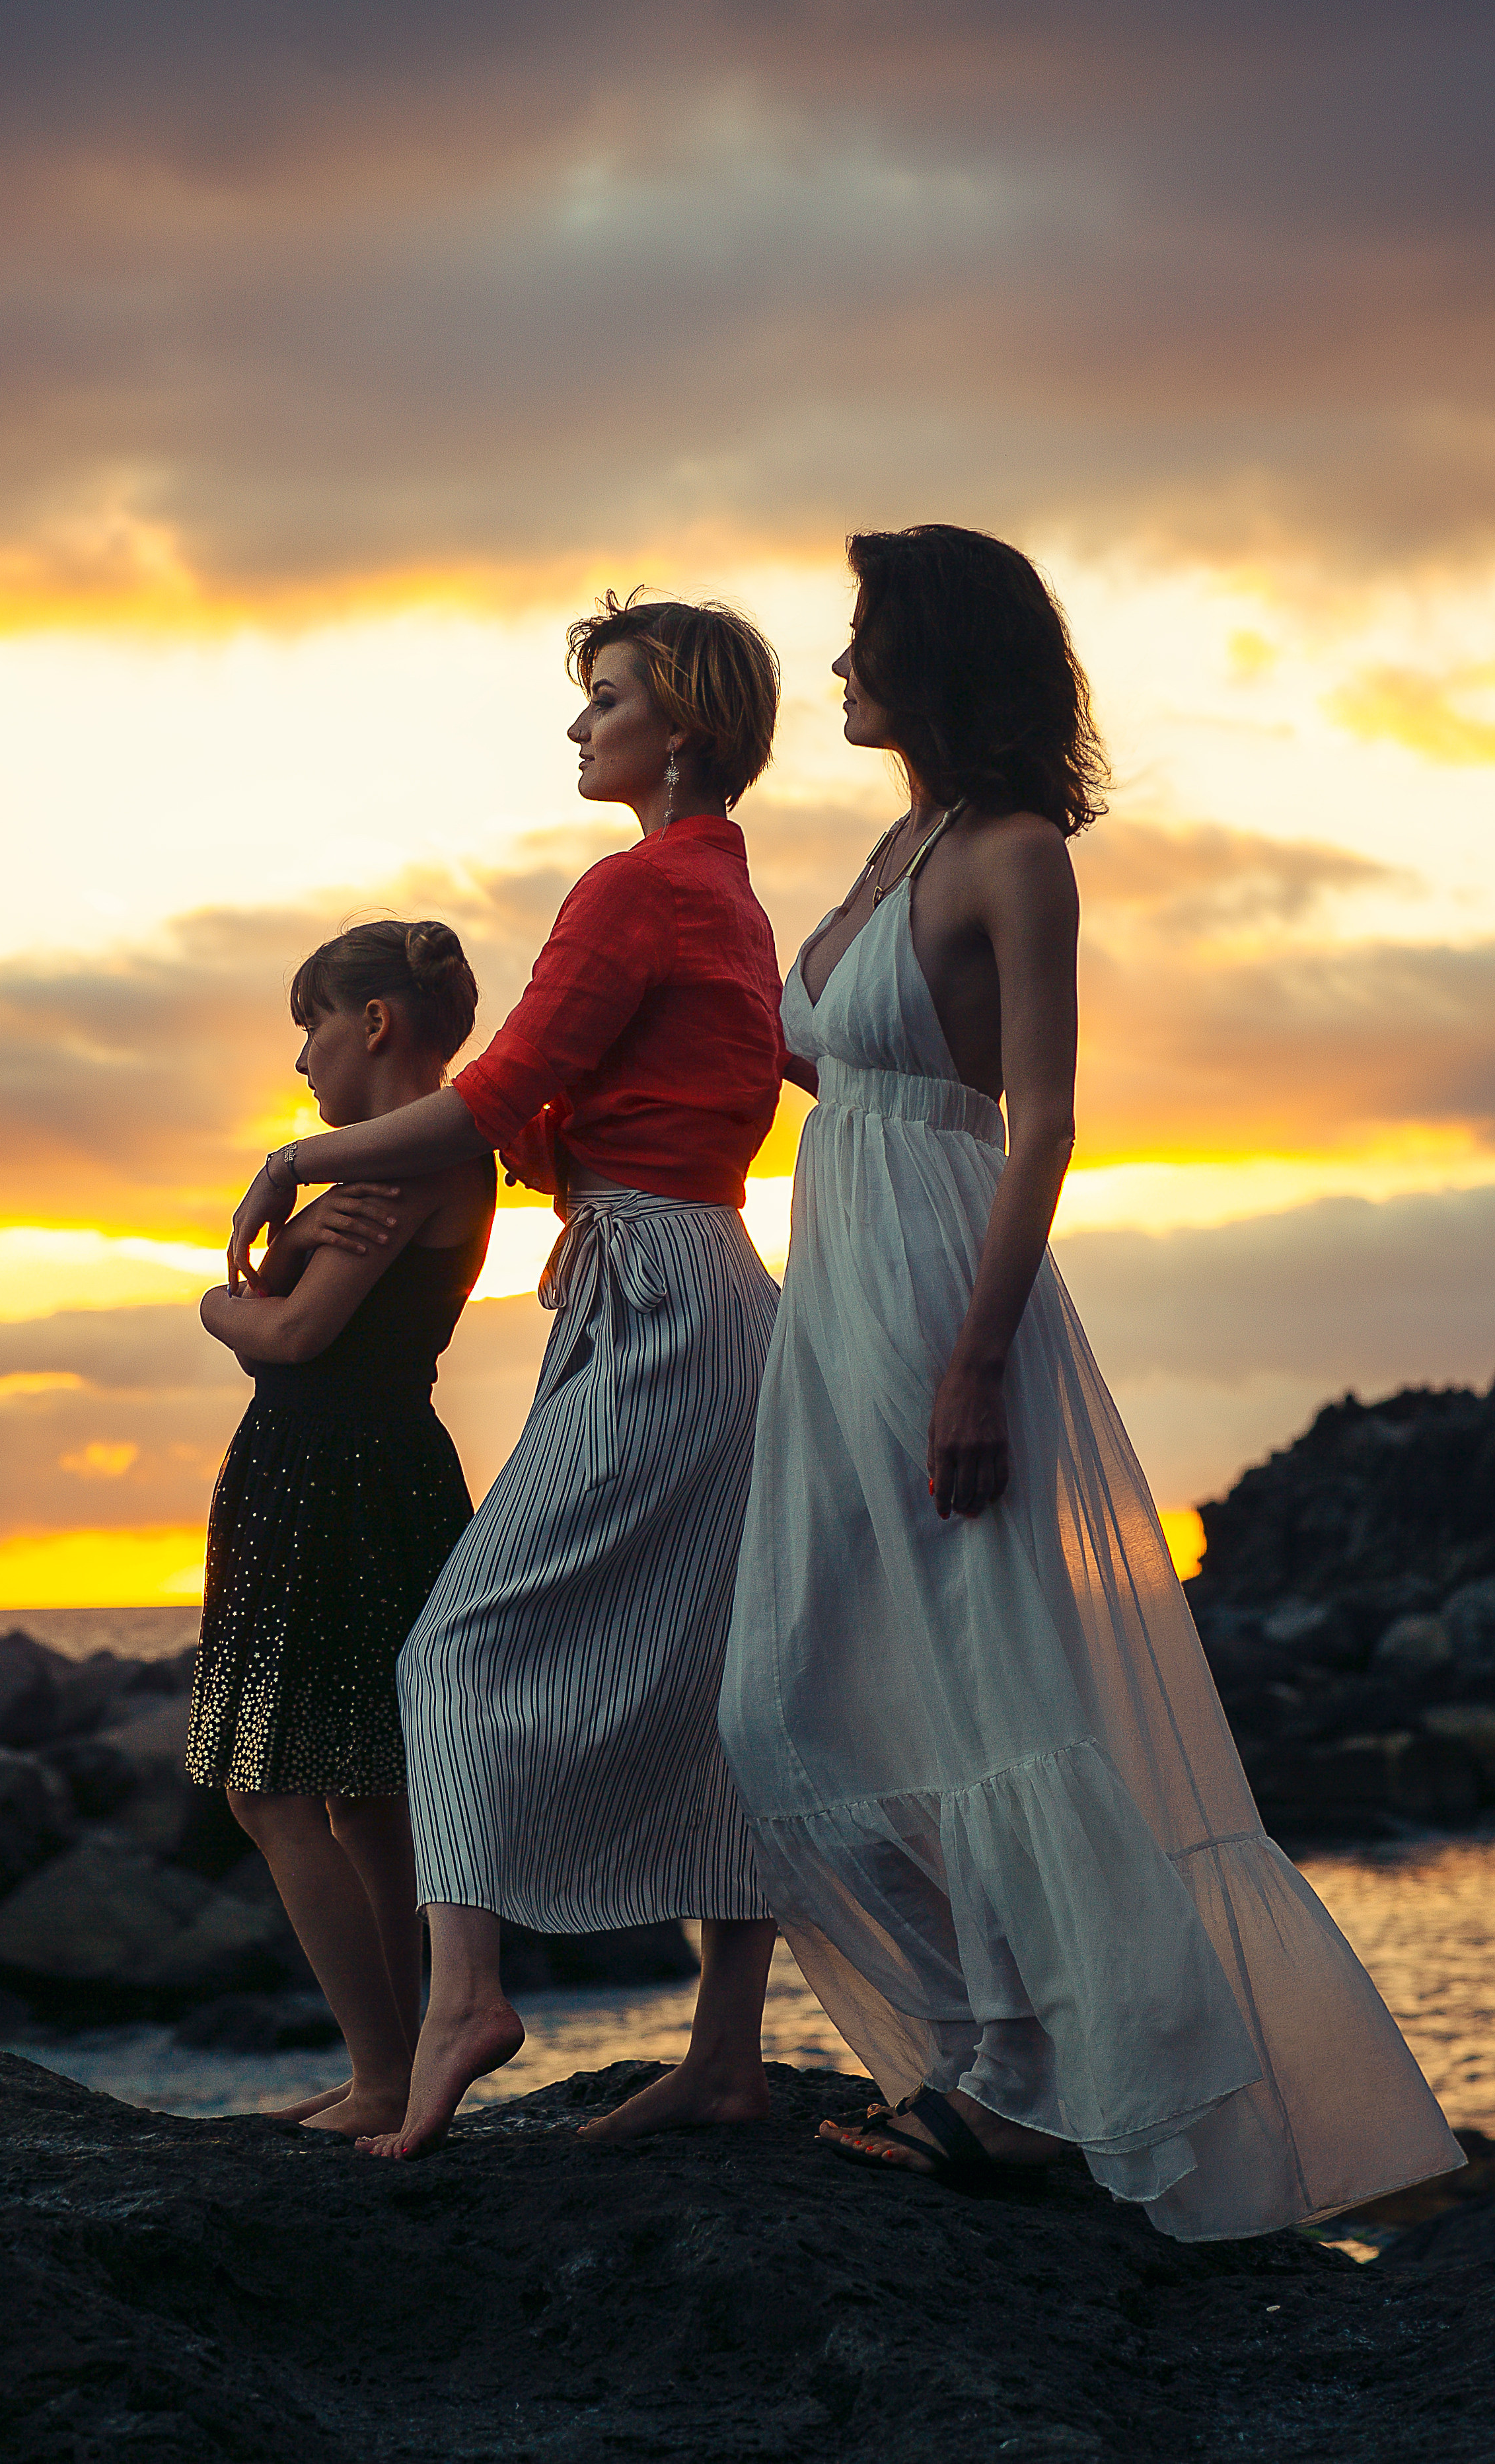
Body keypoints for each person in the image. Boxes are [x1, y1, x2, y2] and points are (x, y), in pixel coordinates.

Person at [718, 524, 1463, 2237]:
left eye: (858, 641)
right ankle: (1019, 2057)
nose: (834, 669)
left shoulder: (1014, 852)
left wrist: (974, 1366)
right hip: (832, 1301)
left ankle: (1042, 2097)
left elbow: (1042, 1119)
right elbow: (799, 1063)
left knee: (996, 1699)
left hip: (939, 1293)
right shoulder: (887, 843)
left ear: (938, 656)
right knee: (775, 1709)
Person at [226, 593, 788, 2157]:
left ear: (673, 724)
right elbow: (594, 1105)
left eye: (602, 697)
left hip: (660, 1293)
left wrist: (304, 1149)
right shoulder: (730, 898)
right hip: (721, 1286)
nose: (579, 723)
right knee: (716, 1673)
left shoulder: (636, 889)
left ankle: (461, 2005)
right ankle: (729, 2055)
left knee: (454, 1655)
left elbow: (503, 1092)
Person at [190, 919, 495, 2139]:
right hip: (369, 1468)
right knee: (366, 1790)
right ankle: (394, 2069)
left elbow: (290, 1333)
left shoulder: (398, 1166)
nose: (303, 1061)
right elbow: (302, 1299)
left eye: (311, 1025)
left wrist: (215, 1298)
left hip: (330, 1475)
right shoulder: (419, 1163)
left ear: (373, 1023)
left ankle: (382, 2071)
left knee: (268, 1792)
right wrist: (287, 1251)